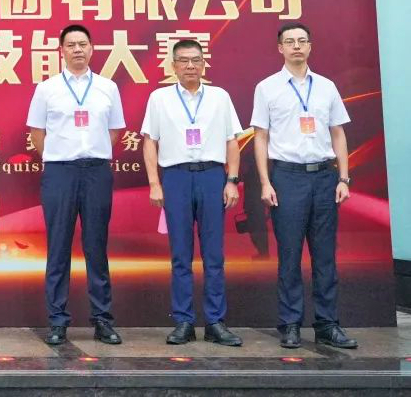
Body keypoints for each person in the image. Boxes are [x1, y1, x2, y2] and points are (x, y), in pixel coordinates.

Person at [251, 22, 357, 349]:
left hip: (325, 177)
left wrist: (343, 177)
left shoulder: (326, 87)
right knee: (290, 255)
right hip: (287, 178)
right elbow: (260, 136)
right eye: (290, 41)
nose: (296, 46)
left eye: (302, 41)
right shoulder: (267, 88)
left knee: (325, 256)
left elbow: (338, 132)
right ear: (280, 48)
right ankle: (290, 324)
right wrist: (266, 182)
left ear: (310, 46)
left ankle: (327, 325)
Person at [26, 24, 125, 346]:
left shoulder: (107, 88)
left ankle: (102, 320)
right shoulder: (47, 89)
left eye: (83, 44)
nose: (78, 49)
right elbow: (37, 132)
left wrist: (91, 152)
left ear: (92, 49)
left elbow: (115, 131)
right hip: (60, 172)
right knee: (58, 248)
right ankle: (57, 320)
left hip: (96, 171)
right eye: (71, 45)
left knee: (97, 247)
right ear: (61, 51)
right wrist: (59, 156)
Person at [141, 39, 243, 347]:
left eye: (195, 60)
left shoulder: (219, 97)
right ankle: (183, 321)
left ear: (203, 64)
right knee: (180, 255)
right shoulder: (159, 98)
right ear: (173, 66)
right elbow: (150, 142)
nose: (190, 66)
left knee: (214, 255)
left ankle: (215, 322)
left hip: (212, 176)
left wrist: (231, 180)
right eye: (183, 61)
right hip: (176, 177)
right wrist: (154, 183)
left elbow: (232, 141)